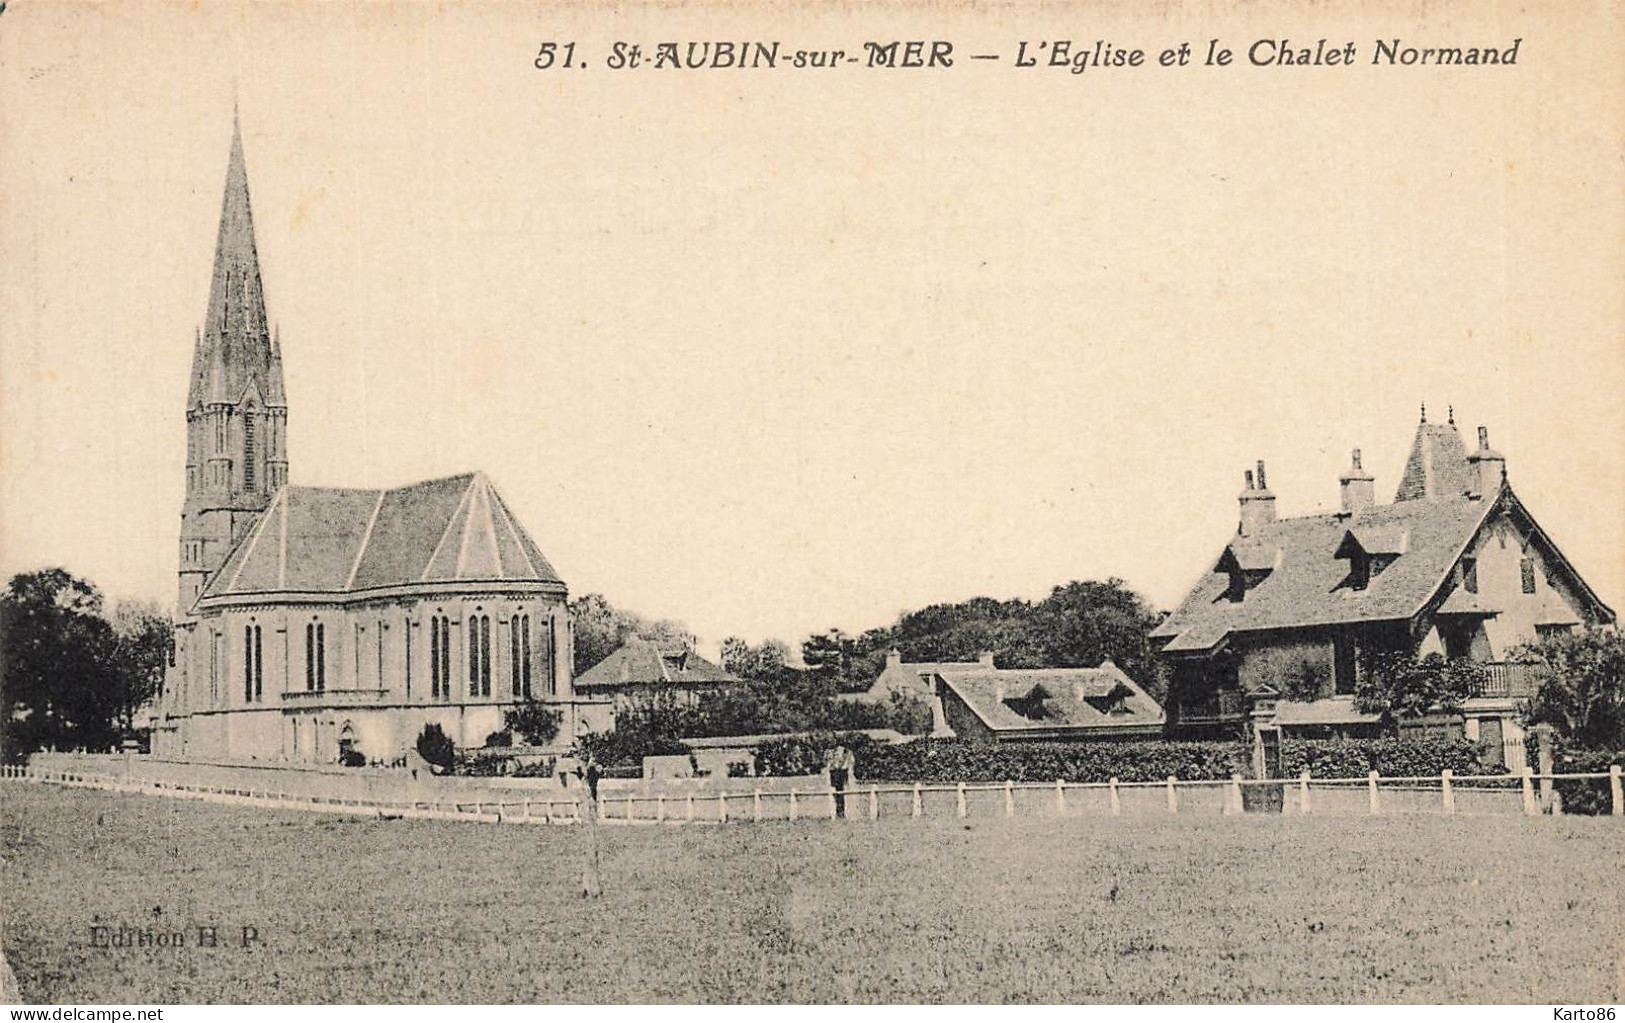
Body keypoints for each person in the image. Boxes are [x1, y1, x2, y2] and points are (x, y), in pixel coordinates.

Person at [826, 745, 855, 818]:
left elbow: (849, 764)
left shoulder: (847, 753)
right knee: (836, 794)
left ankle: (841, 812)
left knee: (841, 794)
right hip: (835, 774)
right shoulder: (831, 752)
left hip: (842, 774)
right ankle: (836, 812)